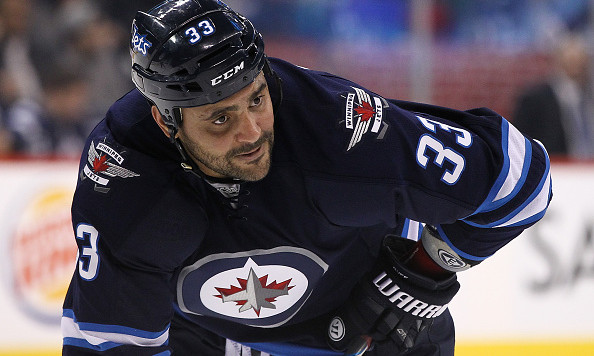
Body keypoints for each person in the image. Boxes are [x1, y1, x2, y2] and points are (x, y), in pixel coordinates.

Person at [61, 1, 552, 355]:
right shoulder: (125, 175)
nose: (251, 132)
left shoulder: (338, 131)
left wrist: (419, 274)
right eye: (219, 119)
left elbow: (522, 181)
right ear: (166, 122)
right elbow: (111, 343)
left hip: (363, 333)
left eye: (256, 99)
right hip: (200, 337)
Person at [513, 32, 594, 159]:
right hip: (556, 168)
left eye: (580, 61)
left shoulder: (588, 96)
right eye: (571, 61)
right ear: (559, 61)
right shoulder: (535, 98)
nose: (576, 66)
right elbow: (520, 141)